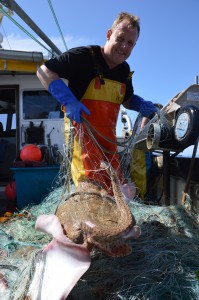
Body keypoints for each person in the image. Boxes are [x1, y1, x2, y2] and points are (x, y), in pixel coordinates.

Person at [37, 11, 157, 194]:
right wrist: (68, 101)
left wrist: (141, 104)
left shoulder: (124, 70)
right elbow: (44, 72)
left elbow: (127, 99)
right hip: (82, 138)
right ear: (109, 34)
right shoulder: (84, 56)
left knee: (115, 188)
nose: (124, 46)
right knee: (89, 188)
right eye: (120, 38)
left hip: (108, 142)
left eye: (130, 43)